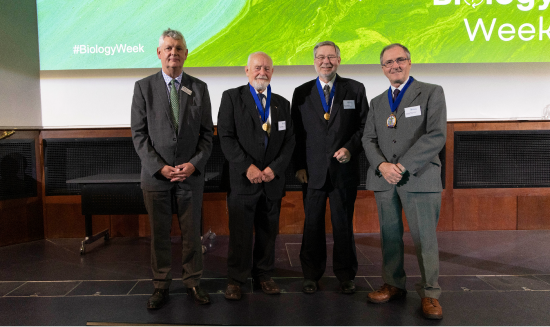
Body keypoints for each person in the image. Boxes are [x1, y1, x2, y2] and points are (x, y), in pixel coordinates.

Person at [362, 43, 447, 320]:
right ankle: (394, 284)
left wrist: (402, 166)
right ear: (382, 68)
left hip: (419, 178)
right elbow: (368, 139)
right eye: (388, 62)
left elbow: (435, 135)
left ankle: (431, 294)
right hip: (385, 180)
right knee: (389, 237)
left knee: (425, 239)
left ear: (409, 62)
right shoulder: (376, 102)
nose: (394, 66)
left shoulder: (432, 92)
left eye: (400, 60)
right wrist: (383, 166)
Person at [131, 28, 214, 309]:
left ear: (186, 53)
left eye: (178, 48)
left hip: (190, 177)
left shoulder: (199, 88)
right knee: (160, 235)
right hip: (156, 178)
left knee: (192, 235)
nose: (173, 53)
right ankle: (161, 285)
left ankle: (193, 283)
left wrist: (194, 164)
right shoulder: (143, 87)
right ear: (159, 53)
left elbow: (206, 134)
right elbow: (139, 135)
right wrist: (161, 168)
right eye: (168, 48)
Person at [291, 41, 369, 294]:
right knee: (312, 224)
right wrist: (299, 166)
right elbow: (296, 134)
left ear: (339, 60)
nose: (326, 61)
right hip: (311, 173)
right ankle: (311, 275)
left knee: (343, 225)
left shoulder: (355, 89)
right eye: (321, 57)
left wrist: (350, 148)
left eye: (331, 57)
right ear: (314, 61)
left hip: (343, 172)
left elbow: (364, 128)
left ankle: (346, 275)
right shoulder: (301, 92)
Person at [217, 52, 295, 300]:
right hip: (243, 179)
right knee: (240, 232)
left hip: (272, 180)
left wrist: (275, 168)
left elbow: (290, 141)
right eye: (258, 67)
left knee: (268, 231)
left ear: (272, 72)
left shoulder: (282, 103)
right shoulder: (231, 97)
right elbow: (226, 137)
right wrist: (247, 167)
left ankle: (264, 275)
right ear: (247, 70)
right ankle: (236, 279)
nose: (263, 72)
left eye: (267, 68)